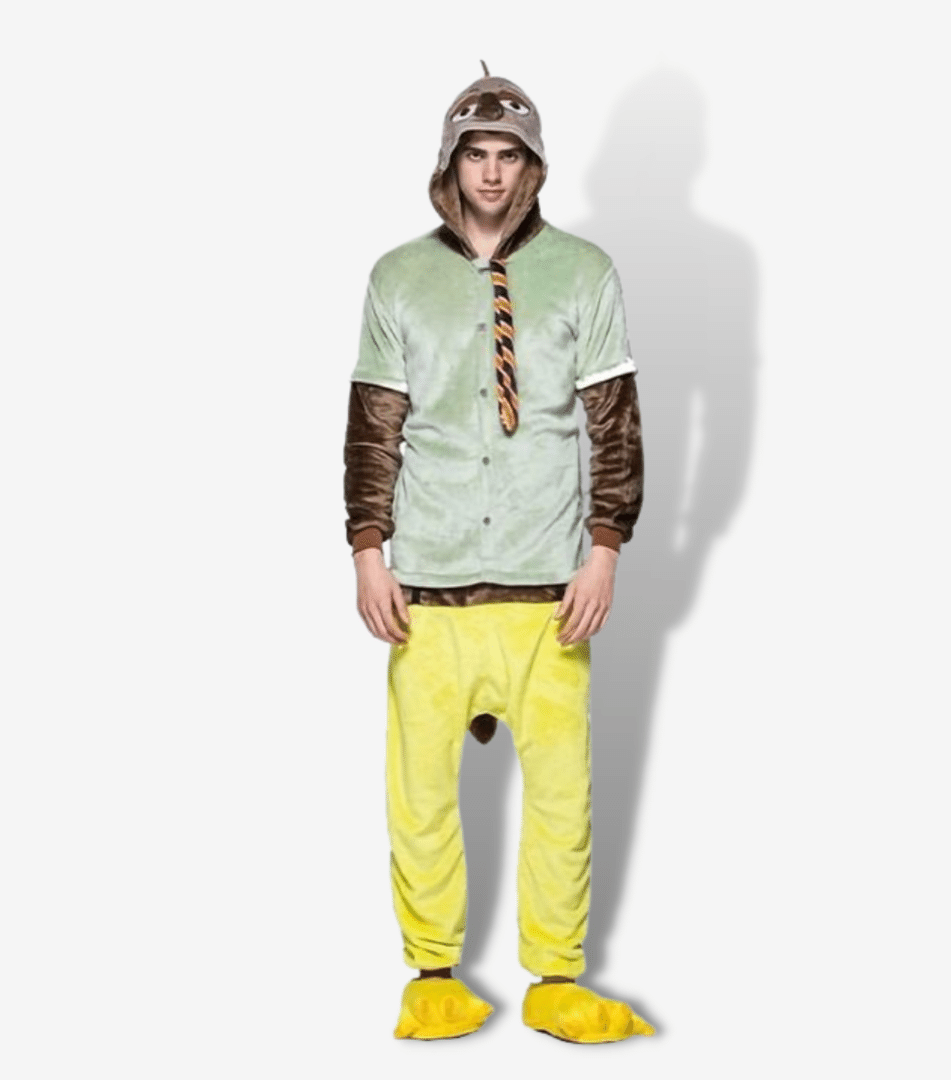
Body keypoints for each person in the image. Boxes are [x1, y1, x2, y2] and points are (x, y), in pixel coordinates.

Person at [343, 66, 653, 1043]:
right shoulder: (398, 278)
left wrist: (606, 548)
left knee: (562, 794)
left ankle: (556, 976)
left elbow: (614, 422)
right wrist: (367, 550)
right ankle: (431, 971)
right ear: (450, 162)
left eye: (507, 155)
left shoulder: (584, 273)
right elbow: (374, 425)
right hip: (428, 585)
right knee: (420, 794)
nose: (489, 172)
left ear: (532, 165)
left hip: (547, 585)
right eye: (474, 154)